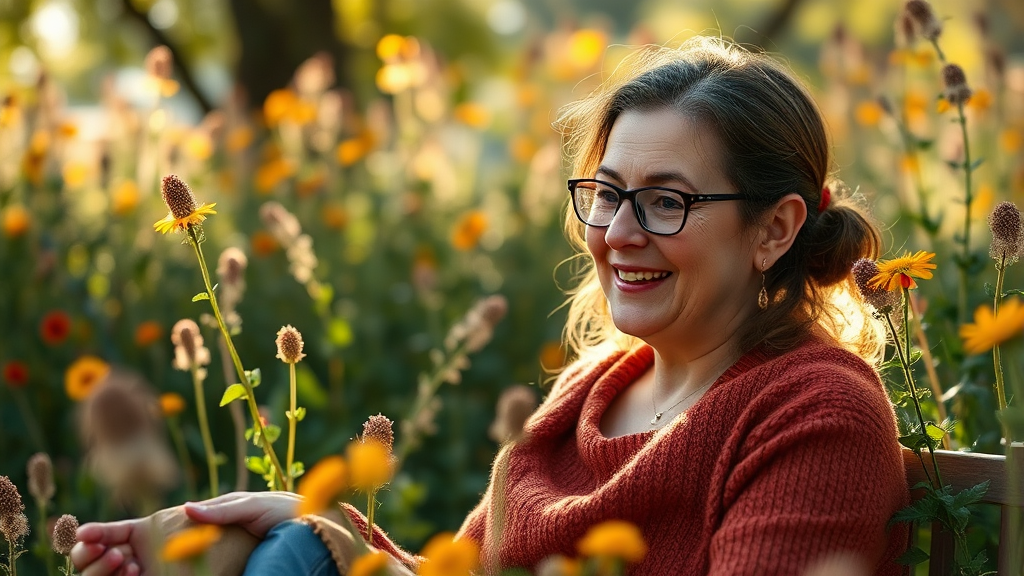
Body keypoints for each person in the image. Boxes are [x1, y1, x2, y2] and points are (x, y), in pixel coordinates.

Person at [72, 36, 910, 576]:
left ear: (774, 229)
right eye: (606, 193)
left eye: (666, 203)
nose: (617, 232)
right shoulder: (591, 390)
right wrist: (317, 523)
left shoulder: (815, 413)